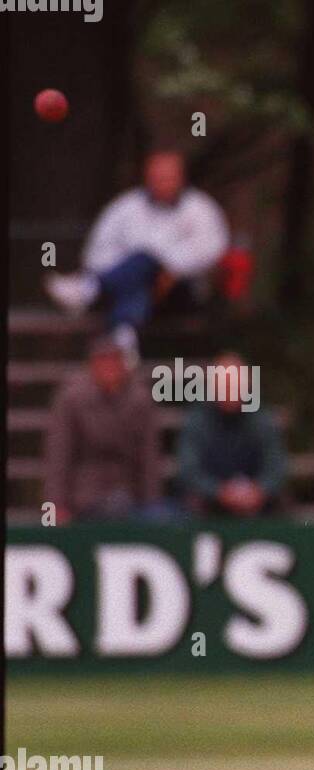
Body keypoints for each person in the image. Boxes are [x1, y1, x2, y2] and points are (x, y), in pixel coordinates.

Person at [44, 150, 230, 360]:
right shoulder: (125, 207)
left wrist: (168, 266)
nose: (162, 183)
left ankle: (91, 288)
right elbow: (97, 253)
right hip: (129, 291)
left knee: (146, 260)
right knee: (140, 270)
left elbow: (211, 252)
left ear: (181, 178)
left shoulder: (201, 209)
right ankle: (124, 336)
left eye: (168, 177)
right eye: (156, 177)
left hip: (180, 291)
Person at [44, 335, 162, 521]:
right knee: (114, 506)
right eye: (103, 361)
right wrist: (53, 508)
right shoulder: (71, 399)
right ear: (92, 365)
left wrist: (152, 502)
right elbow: (58, 456)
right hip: (83, 496)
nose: (110, 368)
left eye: (115, 361)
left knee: (162, 515)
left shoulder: (140, 400)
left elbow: (149, 456)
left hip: (129, 493)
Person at [175, 353, 285, 516]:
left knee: (280, 500)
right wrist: (219, 492)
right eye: (225, 386)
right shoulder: (197, 419)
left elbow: (275, 468)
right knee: (191, 501)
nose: (231, 393)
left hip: (256, 501)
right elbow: (189, 471)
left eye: (235, 386)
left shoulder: (260, 418)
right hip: (210, 502)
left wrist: (259, 491)